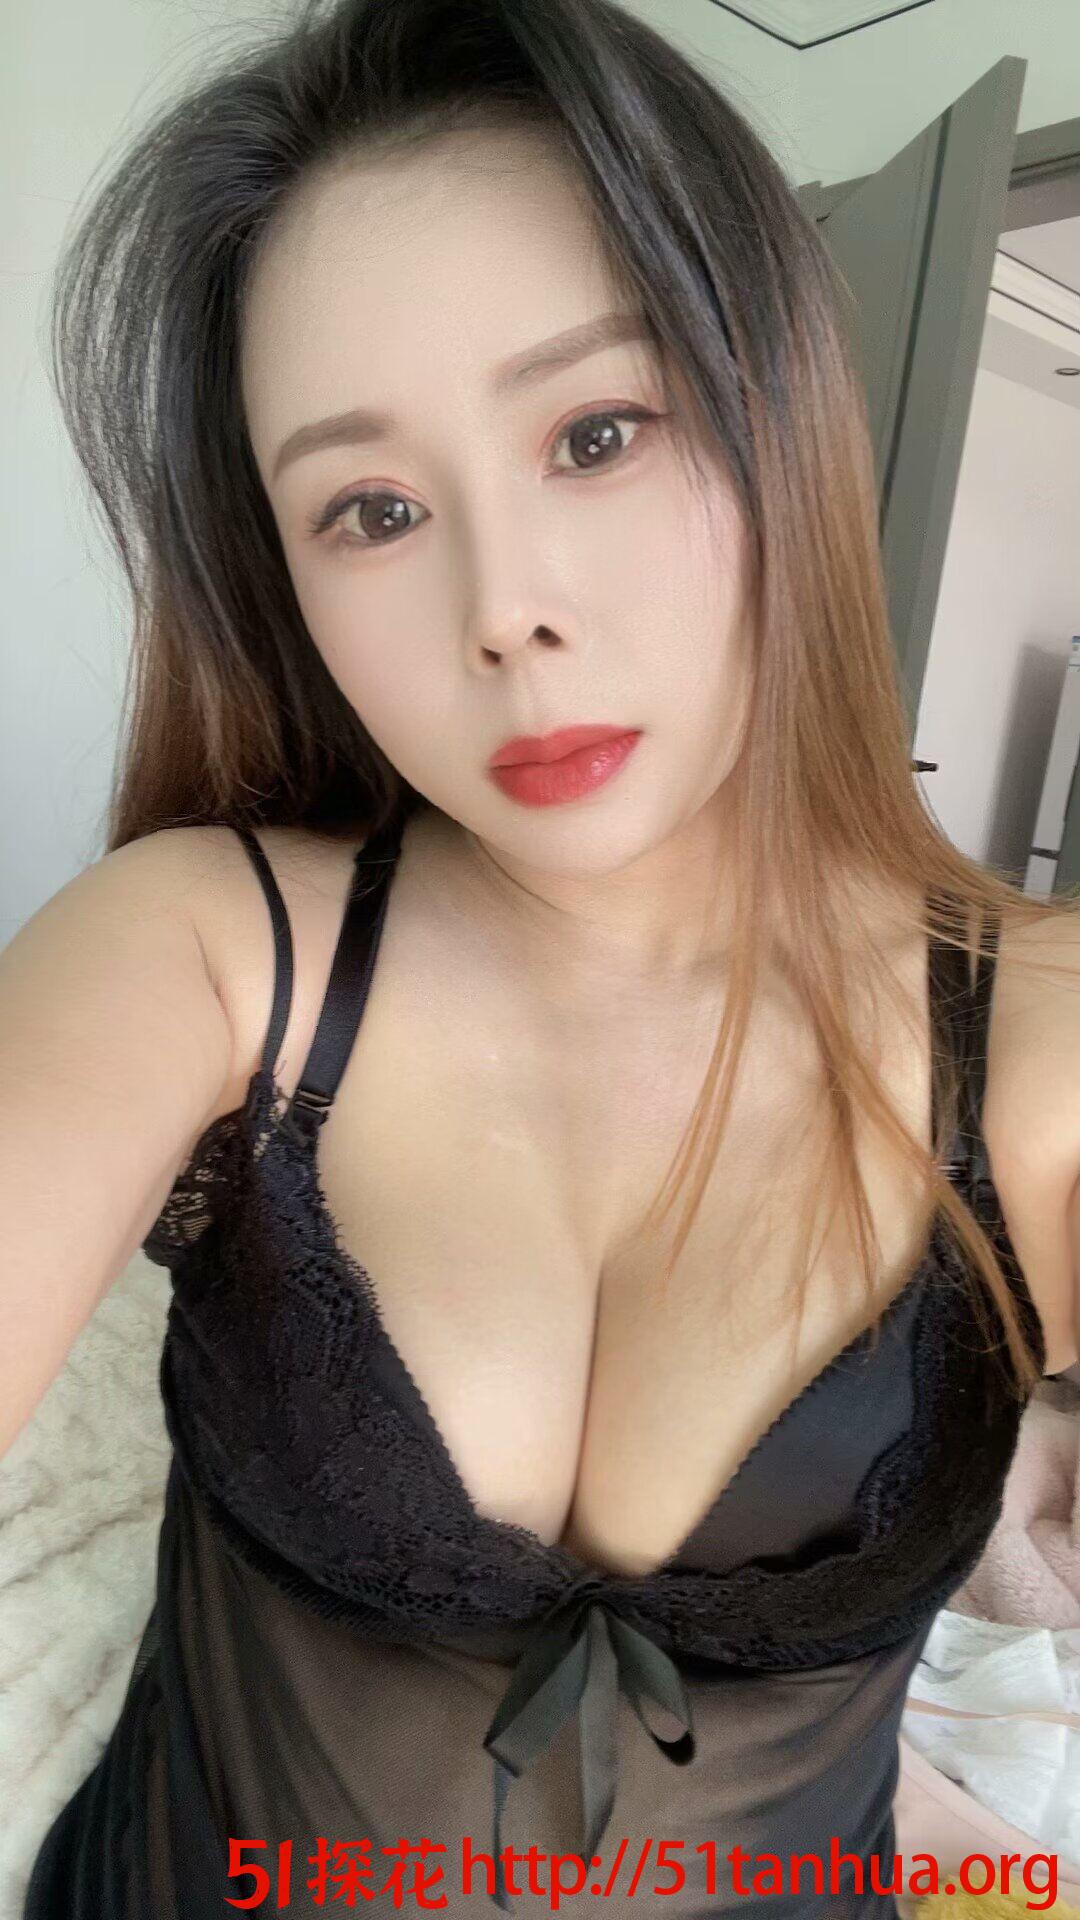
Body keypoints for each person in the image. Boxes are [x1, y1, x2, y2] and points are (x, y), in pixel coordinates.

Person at [5, 0, 1080, 1913]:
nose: (504, 611)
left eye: (597, 432)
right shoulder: (206, 950)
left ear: (778, 412)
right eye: (373, 511)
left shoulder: (1044, 1035)